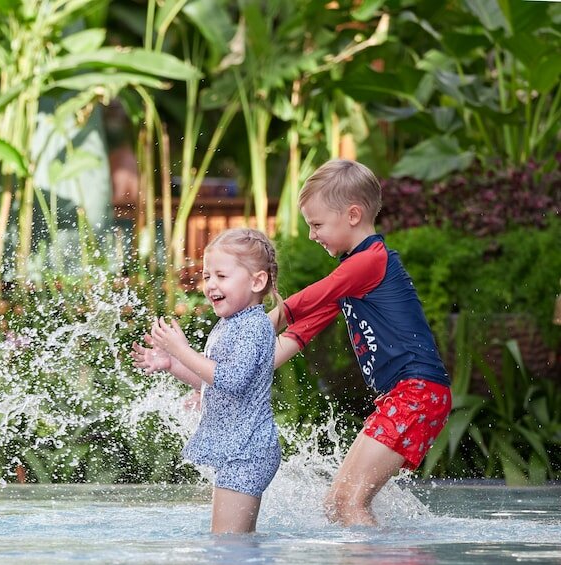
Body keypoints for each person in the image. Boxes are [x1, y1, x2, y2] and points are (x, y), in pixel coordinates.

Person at [270, 159, 451, 527]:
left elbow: (310, 299)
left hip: (417, 393)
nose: (312, 235)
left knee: (350, 503)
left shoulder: (371, 261)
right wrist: (226, 373)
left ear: (353, 215)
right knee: (336, 504)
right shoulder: (353, 274)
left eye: (316, 224)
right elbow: (301, 331)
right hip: (406, 397)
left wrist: (258, 322)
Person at [132, 229, 281, 534]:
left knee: (228, 546)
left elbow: (232, 381)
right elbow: (212, 382)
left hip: (248, 450)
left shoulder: (253, 327)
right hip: (239, 449)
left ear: (257, 281)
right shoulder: (231, 324)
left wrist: (182, 351)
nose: (211, 285)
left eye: (221, 276)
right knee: (232, 545)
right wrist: (172, 363)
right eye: (207, 276)